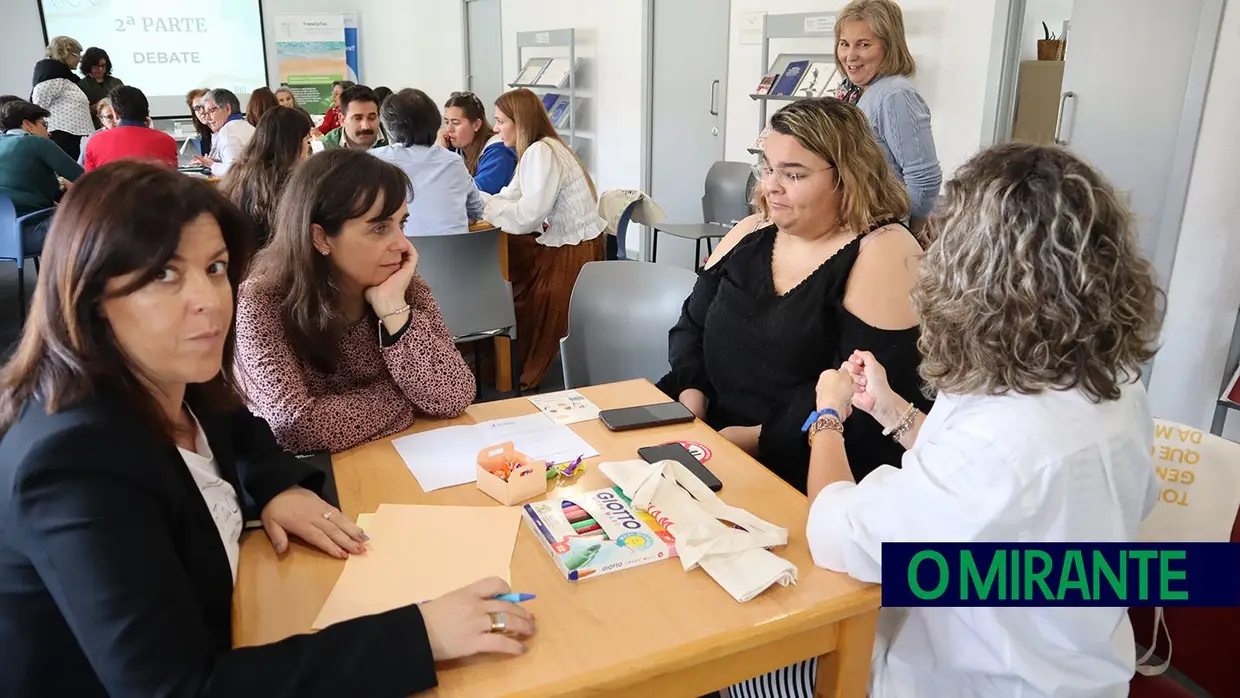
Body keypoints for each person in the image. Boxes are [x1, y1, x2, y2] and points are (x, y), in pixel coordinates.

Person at [0, 160, 535, 698]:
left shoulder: (172, 379)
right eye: (164, 274)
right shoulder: (74, 461)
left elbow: (246, 427)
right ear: (89, 293)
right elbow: (179, 688)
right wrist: (424, 634)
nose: (210, 300)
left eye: (214, 268)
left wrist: (274, 485)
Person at [803, 142, 1163, 697]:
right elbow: (987, 493)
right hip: (1081, 666)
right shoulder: (1108, 383)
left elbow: (838, 535)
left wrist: (828, 415)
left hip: (977, 681)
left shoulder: (1004, 439)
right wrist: (892, 410)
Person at [656, 97, 929, 499]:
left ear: (847, 177)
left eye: (794, 175)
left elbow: (860, 394)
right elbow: (692, 325)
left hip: (809, 460)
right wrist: (692, 400)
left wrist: (749, 438)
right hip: (711, 438)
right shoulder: (752, 230)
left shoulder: (884, 250)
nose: (770, 186)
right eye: (767, 168)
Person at [235, 149, 475, 454]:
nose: (403, 244)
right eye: (379, 228)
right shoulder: (260, 303)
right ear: (320, 238)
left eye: (402, 224)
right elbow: (295, 426)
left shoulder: (404, 289)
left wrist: (394, 313)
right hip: (312, 482)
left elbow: (456, 393)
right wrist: (408, 397)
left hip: (398, 463)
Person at [483, 88, 606, 390]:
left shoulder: (541, 151)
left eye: (500, 122)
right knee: (512, 268)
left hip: (573, 249)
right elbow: (511, 194)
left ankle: (511, 369)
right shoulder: (537, 148)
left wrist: (487, 208)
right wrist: (486, 203)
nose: (496, 129)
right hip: (567, 242)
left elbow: (528, 215)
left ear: (519, 122)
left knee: (521, 288)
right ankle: (501, 358)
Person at [834, 0, 941, 233]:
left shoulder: (895, 95)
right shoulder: (852, 89)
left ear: (889, 47)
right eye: (844, 44)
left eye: (863, 45)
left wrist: (909, 233)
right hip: (854, 220)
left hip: (883, 228)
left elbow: (924, 178)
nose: (850, 56)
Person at [371, 89, 484, 236]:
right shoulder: (453, 161)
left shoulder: (373, 161)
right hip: (455, 256)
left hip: (400, 255)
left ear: (389, 128)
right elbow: (476, 211)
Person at [220, 106, 314, 248]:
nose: (308, 146)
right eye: (306, 139)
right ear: (293, 143)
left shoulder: (238, 173)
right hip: (273, 261)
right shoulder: (286, 183)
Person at [0, 100, 83, 250]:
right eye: (44, 125)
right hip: (28, 232)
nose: (48, 132)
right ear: (27, 125)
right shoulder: (38, 143)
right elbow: (83, 178)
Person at [82, 85, 177, 171]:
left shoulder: (95, 142)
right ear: (147, 112)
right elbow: (172, 182)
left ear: (115, 114)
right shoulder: (167, 141)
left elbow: (90, 185)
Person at [30, 36, 93, 160]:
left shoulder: (63, 75)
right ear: (65, 53)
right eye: (77, 55)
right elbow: (37, 106)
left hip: (73, 137)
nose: (80, 59)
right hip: (63, 137)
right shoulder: (51, 74)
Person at [442, 91, 516, 195]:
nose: (449, 129)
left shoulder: (499, 152)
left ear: (476, 124)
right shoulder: (453, 146)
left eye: (456, 123)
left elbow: (476, 195)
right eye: (446, 122)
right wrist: (439, 150)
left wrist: (441, 155)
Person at [192, 88, 256, 176]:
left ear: (227, 108)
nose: (207, 118)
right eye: (206, 113)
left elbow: (232, 172)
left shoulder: (227, 131)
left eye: (211, 111)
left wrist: (212, 165)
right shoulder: (249, 126)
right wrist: (213, 162)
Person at [321, 85, 387, 150]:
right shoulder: (327, 146)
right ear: (342, 120)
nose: (366, 126)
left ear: (379, 117)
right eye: (357, 118)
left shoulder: (392, 139)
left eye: (372, 118)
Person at [77, 46, 123, 129]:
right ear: (88, 66)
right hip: (95, 127)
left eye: (103, 66)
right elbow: (81, 112)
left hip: (119, 125)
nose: (100, 69)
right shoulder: (81, 85)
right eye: (96, 66)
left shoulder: (116, 82)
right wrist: (97, 106)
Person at [75, 96, 115, 166]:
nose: (115, 120)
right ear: (102, 120)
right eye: (109, 117)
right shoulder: (92, 139)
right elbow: (81, 166)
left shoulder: (131, 132)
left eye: (119, 115)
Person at [186, 88, 214, 157]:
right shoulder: (204, 134)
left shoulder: (225, 131)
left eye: (204, 106)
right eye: (197, 108)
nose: (201, 112)